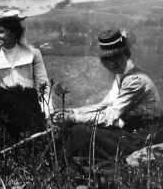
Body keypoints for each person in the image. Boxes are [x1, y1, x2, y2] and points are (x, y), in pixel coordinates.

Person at [52, 27, 163, 163]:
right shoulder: (121, 77)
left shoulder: (135, 81)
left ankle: (56, 165)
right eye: (106, 58)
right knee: (78, 129)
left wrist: (73, 118)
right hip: (132, 131)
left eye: (117, 56)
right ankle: (57, 162)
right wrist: (73, 111)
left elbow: (110, 115)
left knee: (81, 131)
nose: (112, 63)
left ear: (127, 55)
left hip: (143, 137)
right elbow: (103, 105)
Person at [0, 9, 52, 139]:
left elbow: (43, 85)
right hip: (0, 105)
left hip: (27, 105)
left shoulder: (33, 54)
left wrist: (48, 114)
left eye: (0, 31)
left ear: (13, 32)